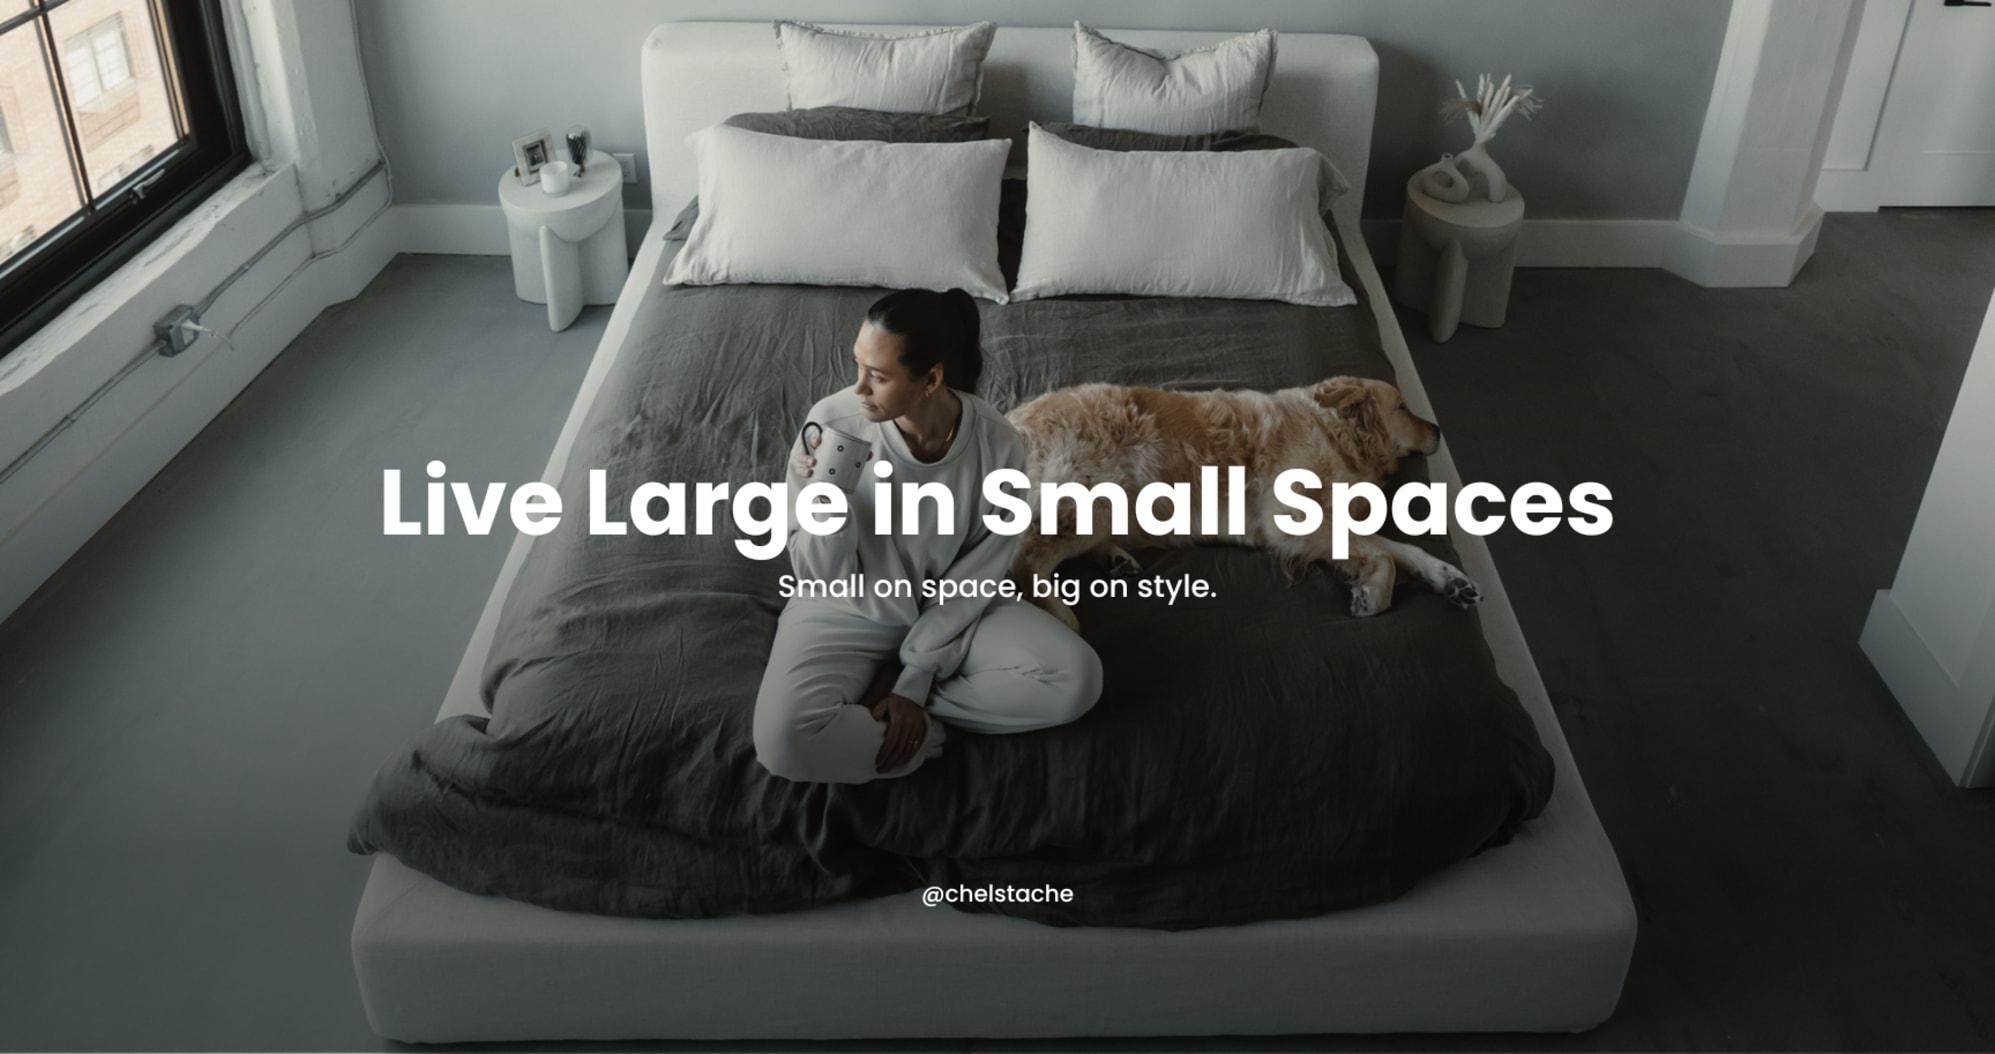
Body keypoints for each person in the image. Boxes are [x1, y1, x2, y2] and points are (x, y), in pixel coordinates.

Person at [753, 288, 1103, 784]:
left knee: (1077, 679)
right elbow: (822, 577)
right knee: (782, 741)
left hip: (953, 614)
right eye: (857, 366)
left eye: (877, 376)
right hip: (846, 610)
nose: (858, 388)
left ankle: (899, 706)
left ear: (931, 379)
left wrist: (911, 683)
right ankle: (926, 737)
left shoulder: (998, 445)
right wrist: (827, 501)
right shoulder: (833, 425)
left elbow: (977, 578)